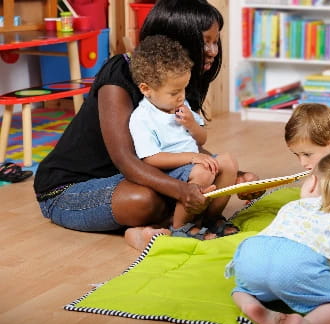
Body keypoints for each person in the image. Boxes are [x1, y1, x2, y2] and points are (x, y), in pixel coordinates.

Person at [33, 0, 258, 239]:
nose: (213, 51)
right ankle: (168, 226)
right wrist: (181, 189)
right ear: (176, 40)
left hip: (132, 177)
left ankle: (180, 223)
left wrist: (235, 176)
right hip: (71, 189)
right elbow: (126, 160)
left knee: (202, 177)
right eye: (205, 42)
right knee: (147, 200)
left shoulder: (179, 80)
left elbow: (180, 143)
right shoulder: (118, 74)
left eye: (215, 41)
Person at [225, 151, 330, 324]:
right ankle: (306, 323)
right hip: (296, 266)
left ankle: (250, 305)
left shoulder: (292, 205)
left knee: (241, 290)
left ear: (312, 183)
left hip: (251, 257)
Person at [127, 35, 239, 244]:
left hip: (193, 162)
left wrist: (192, 125)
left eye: (184, 89)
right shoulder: (142, 117)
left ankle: (211, 218)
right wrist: (191, 157)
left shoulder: (181, 105)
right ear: (146, 89)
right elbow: (150, 159)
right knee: (204, 172)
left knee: (228, 162)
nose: (181, 96)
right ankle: (180, 228)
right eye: (174, 92)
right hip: (172, 169)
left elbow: (202, 139)